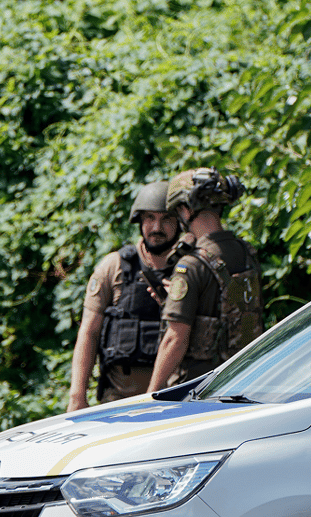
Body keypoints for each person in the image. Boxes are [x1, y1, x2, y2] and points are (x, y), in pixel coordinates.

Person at [67, 181, 181, 411]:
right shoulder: (115, 265)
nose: (156, 227)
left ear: (180, 222)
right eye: (149, 218)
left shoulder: (189, 268)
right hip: (118, 401)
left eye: (166, 218)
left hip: (175, 400)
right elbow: (89, 332)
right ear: (139, 221)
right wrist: (77, 396)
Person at [148, 167, 264, 392]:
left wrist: (150, 395)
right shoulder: (247, 253)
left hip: (198, 389)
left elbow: (175, 339)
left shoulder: (191, 264)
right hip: (244, 381)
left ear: (184, 209)